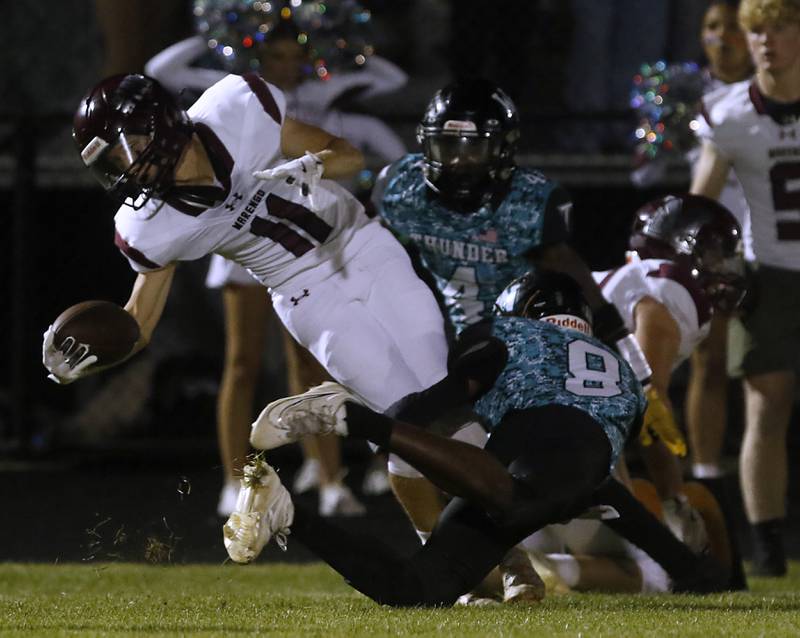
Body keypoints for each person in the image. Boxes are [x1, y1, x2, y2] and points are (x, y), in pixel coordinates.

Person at [42, 72, 451, 492]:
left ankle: (504, 541)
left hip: (363, 245)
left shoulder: (237, 109)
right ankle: (448, 547)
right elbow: (138, 324)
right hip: (304, 292)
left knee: (443, 400)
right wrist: (86, 361)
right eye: (114, 163)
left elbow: (348, 155)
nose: (128, 168)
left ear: (158, 120)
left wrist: (317, 165)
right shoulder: (149, 226)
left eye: (129, 149)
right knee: (406, 416)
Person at [222, 271, 728, 605]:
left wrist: (392, 425)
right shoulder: (618, 365)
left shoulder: (511, 334)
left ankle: (291, 510)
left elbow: (437, 402)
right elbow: (607, 489)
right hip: (543, 470)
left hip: (522, 468)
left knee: (416, 589)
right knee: (506, 510)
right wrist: (685, 566)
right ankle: (344, 427)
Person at [371, 78, 677, 542]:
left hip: (530, 344)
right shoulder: (402, 190)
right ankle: (464, 551)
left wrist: (640, 372)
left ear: (502, 150)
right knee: (436, 439)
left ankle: (632, 534)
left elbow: (579, 282)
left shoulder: (530, 201)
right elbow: (375, 258)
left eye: (472, 149)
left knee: (585, 435)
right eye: (446, 144)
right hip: (453, 340)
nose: (457, 160)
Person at [146, 16, 406, 516]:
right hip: (243, 242)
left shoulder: (318, 97)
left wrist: (341, 45)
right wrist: (222, 32)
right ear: (257, 60)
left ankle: (330, 481)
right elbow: (161, 69)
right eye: (274, 57)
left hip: (294, 242)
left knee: (309, 366)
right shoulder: (239, 93)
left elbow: (386, 82)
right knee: (242, 365)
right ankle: (235, 479)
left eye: (294, 56)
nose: (286, 67)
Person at [691, 0, 800, 576]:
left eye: (780, 29)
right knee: (767, 404)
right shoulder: (730, 113)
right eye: (758, 30)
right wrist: (710, 261)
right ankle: (770, 544)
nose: (766, 42)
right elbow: (700, 205)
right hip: (769, 270)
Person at [592, 193, 748, 585]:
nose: (725, 269)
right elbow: (649, 409)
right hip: (544, 424)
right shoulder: (670, 292)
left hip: (541, 415)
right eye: (714, 257)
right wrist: (673, 502)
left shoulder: (639, 285)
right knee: (653, 572)